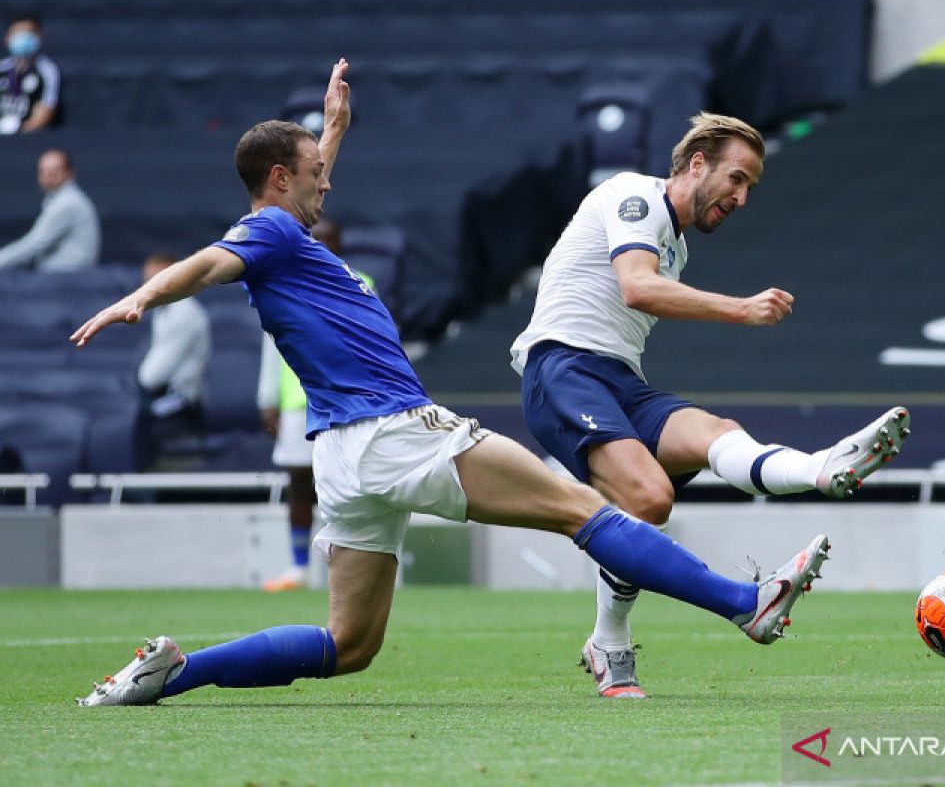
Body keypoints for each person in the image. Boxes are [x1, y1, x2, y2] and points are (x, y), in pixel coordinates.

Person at [69, 59, 831, 708]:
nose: (326, 187)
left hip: (341, 454)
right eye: (313, 173)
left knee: (349, 644)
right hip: (391, 427)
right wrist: (145, 295)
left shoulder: (287, 236)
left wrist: (333, 126)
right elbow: (210, 260)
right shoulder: (270, 230)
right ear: (279, 178)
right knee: (581, 508)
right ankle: (745, 603)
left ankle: (174, 672)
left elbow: (297, 193)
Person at [509, 112, 912, 698]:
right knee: (649, 496)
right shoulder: (633, 195)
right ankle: (743, 600)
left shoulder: (676, 249)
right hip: (562, 368)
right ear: (697, 164)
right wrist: (742, 309)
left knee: (707, 439)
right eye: (737, 178)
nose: (742, 197)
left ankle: (816, 470)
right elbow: (636, 287)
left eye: (750, 187)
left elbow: (647, 287)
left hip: (619, 379)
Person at [256, 216, 345, 592]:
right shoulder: (286, 284)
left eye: (329, 239)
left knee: (343, 487)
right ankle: (299, 567)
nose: (322, 245)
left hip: (343, 404)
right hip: (297, 404)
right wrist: (267, 399)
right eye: (316, 239)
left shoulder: (358, 284)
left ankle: (341, 568)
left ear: (340, 244)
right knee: (299, 485)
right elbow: (272, 346)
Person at [137, 253, 212, 466]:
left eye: (156, 278)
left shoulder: (184, 313)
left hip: (180, 413)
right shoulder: (164, 309)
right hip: (168, 407)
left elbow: (151, 376)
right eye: (147, 279)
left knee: (177, 473)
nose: (149, 285)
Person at [0, 148, 100, 271]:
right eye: (43, 171)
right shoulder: (60, 199)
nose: (48, 175)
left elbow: (33, 245)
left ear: (70, 172)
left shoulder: (68, 203)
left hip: (67, 277)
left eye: (55, 170)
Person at [1, 15, 59, 135]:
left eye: (28, 33)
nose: (23, 38)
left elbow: (44, 113)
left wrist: (17, 131)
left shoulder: (48, 71)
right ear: (7, 38)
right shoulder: (2, 69)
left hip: (27, 139)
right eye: (18, 32)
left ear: (40, 37)